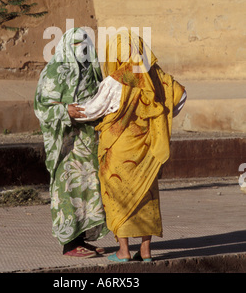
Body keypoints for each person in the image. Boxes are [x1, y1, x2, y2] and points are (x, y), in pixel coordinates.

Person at [74, 29, 186, 262]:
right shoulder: (158, 76)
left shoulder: (117, 79)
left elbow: (93, 109)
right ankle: (145, 251)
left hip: (119, 147)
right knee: (146, 196)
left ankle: (124, 251)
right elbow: (181, 96)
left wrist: (69, 110)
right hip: (148, 148)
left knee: (118, 196)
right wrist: (163, 116)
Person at [34, 27, 108, 258]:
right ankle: (69, 244)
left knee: (89, 188)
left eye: (85, 46)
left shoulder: (92, 70)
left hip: (88, 139)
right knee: (68, 188)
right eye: (76, 45)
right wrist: (65, 111)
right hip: (65, 144)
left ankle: (82, 239)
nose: (81, 51)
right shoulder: (54, 70)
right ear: (66, 45)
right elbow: (41, 106)